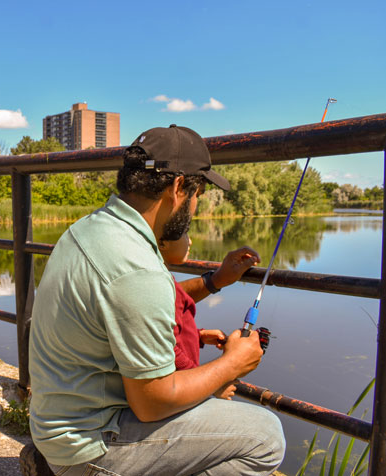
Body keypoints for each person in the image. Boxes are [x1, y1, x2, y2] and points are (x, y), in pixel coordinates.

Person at [26, 125, 285, 476]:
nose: (197, 206)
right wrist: (233, 365)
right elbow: (153, 403)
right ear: (179, 188)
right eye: (199, 193)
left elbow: (137, 303)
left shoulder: (89, 229)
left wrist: (214, 281)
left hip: (55, 430)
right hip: (87, 449)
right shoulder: (136, 269)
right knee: (266, 436)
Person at [158, 231, 261, 400]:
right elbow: (167, 348)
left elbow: (160, 330)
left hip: (181, 389)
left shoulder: (158, 277)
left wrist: (195, 335)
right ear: (162, 242)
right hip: (180, 393)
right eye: (184, 233)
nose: (190, 241)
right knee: (267, 422)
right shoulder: (155, 283)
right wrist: (212, 384)